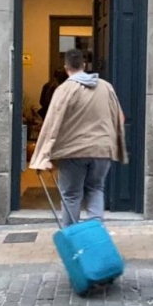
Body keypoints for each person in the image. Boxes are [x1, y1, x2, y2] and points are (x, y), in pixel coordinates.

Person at [29, 49, 127, 226]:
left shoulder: (64, 89)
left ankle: (74, 238)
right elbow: (120, 118)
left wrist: (42, 156)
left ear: (66, 67)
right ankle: (96, 234)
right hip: (102, 150)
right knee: (96, 190)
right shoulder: (106, 87)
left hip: (74, 152)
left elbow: (52, 123)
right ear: (84, 65)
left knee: (71, 195)